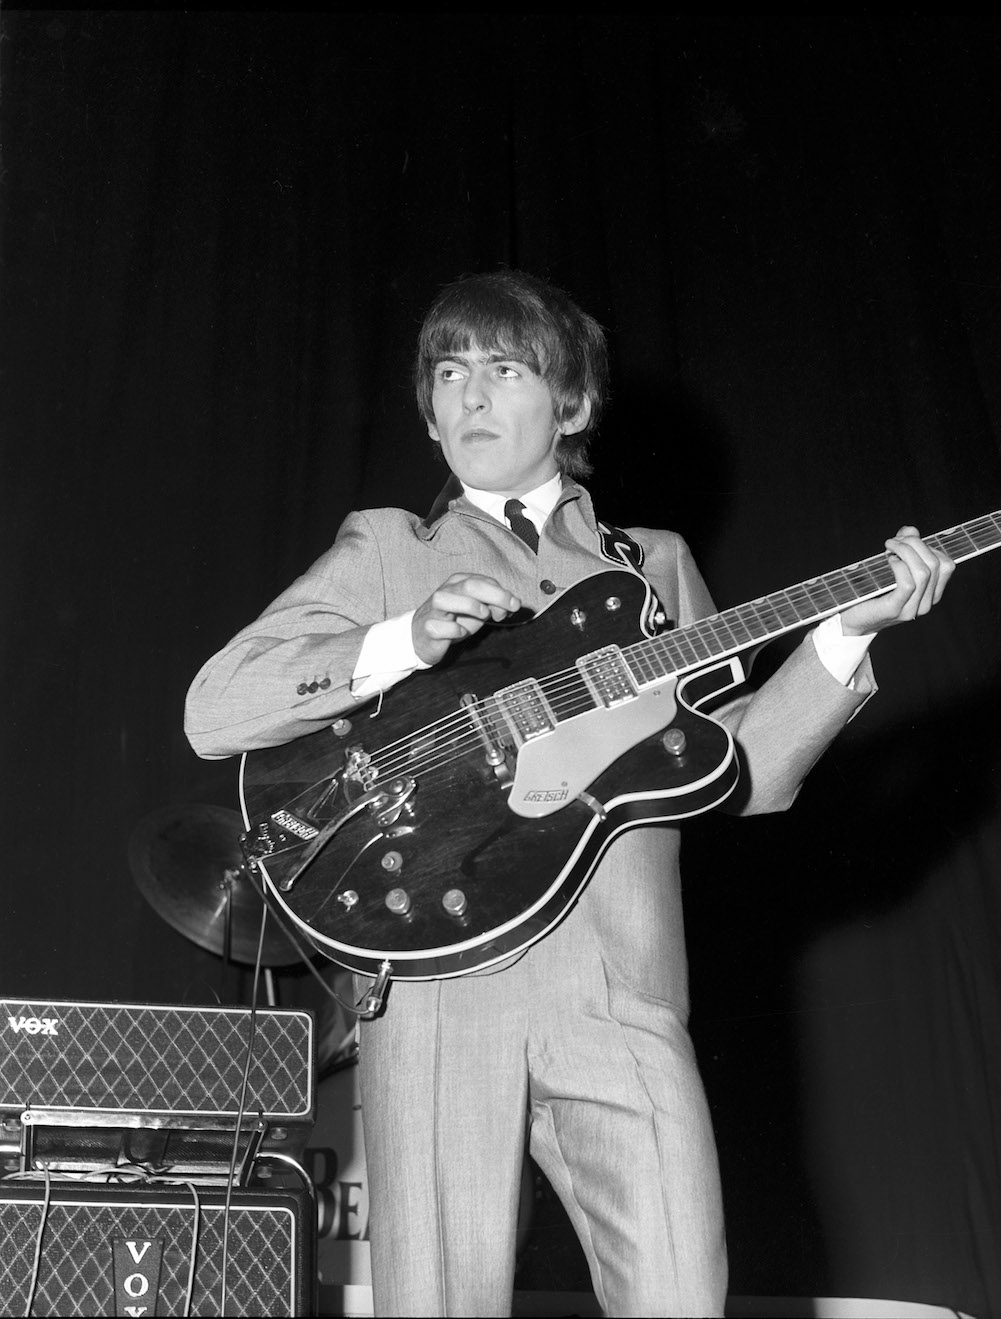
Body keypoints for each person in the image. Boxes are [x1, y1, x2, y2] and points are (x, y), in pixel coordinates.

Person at [185, 268, 955, 1317]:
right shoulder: (389, 548)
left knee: (683, 1291)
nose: (469, 395)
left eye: (503, 369)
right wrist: (400, 639)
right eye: (448, 373)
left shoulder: (656, 566)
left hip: (619, 981)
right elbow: (215, 709)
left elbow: (745, 775)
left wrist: (844, 634)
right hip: (440, 978)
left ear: (574, 404)